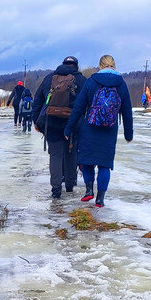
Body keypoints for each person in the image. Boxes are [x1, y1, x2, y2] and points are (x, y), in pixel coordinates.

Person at [64, 54, 133, 207]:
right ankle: (100, 198)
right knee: (104, 165)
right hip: (109, 130)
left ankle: (89, 191)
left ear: (100, 65)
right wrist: (129, 134)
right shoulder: (121, 84)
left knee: (87, 161)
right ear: (114, 65)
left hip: (90, 127)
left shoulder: (92, 82)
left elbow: (79, 108)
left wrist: (68, 129)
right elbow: (127, 111)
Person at [32, 56, 86, 200]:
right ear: (76, 66)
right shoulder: (81, 80)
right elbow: (88, 104)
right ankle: (69, 185)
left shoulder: (49, 78)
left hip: (52, 123)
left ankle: (56, 189)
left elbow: (37, 101)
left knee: (55, 155)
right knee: (71, 153)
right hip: (73, 124)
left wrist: (36, 121)